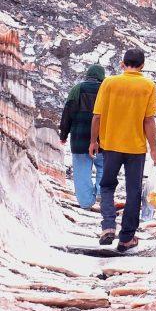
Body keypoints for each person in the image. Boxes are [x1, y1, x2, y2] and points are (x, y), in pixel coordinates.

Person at [90, 47, 156, 252]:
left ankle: (108, 226)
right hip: (136, 148)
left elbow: (97, 116)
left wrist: (94, 141)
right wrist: (154, 149)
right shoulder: (148, 85)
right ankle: (127, 238)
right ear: (142, 66)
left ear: (122, 63)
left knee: (107, 185)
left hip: (110, 145)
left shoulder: (109, 83)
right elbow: (149, 121)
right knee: (134, 191)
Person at [59, 64, 106, 209]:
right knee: (103, 166)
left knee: (81, 171)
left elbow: (67, 113)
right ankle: (101, 193)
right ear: (101, 76)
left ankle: (86, 202)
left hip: (79, 138)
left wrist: (63, 134)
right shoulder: (105, 90)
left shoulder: (76, 89)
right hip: (101, 139)